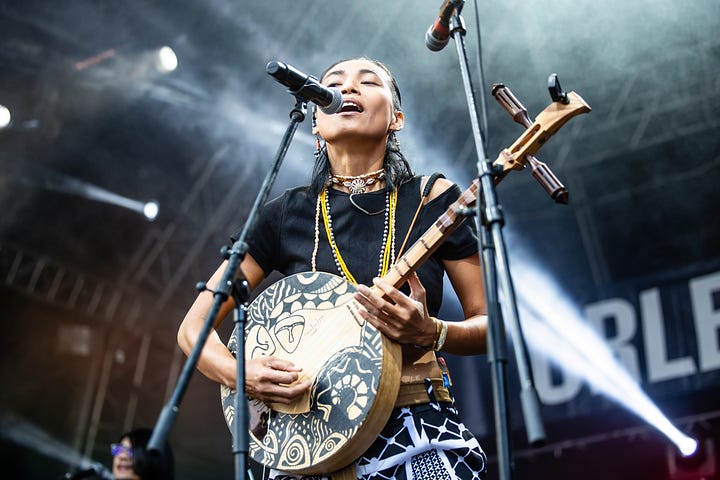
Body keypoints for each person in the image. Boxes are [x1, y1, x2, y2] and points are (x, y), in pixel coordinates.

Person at [177, 57, 489, 479]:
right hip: (306, 443)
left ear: (396, 119)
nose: (348, 88)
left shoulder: (431, 199)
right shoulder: (285, 214)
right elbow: (193, 328)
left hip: (413, 432)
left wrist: (433, 332)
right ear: (315, 124)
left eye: (368, 82)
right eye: (335, 83)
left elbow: (491, 325)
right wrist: (240, 374)